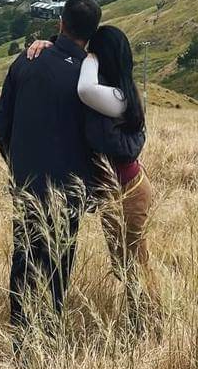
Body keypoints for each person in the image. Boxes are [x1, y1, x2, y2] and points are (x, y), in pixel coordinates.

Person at [27, 23, 157, 330]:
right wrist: (51, 47)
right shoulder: (112, 90)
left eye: (94, 53)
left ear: (101, 56)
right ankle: (143, 323)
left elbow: (84, 89)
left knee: (134, 263)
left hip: (127, 192)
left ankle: (151, 326)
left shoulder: (116, 96)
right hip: (117, 192)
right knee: (125, 264)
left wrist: (86, 56)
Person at [0, 0, 102, 345]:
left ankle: (20, 334)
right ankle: (50, 332)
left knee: (24, 253)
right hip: (69, 187)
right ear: (92, 32)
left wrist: (15, 162)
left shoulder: (26, 62)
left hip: (27, 180)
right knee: (59, 259)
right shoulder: (90, 79)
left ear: (60, 23)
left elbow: (3, 123)